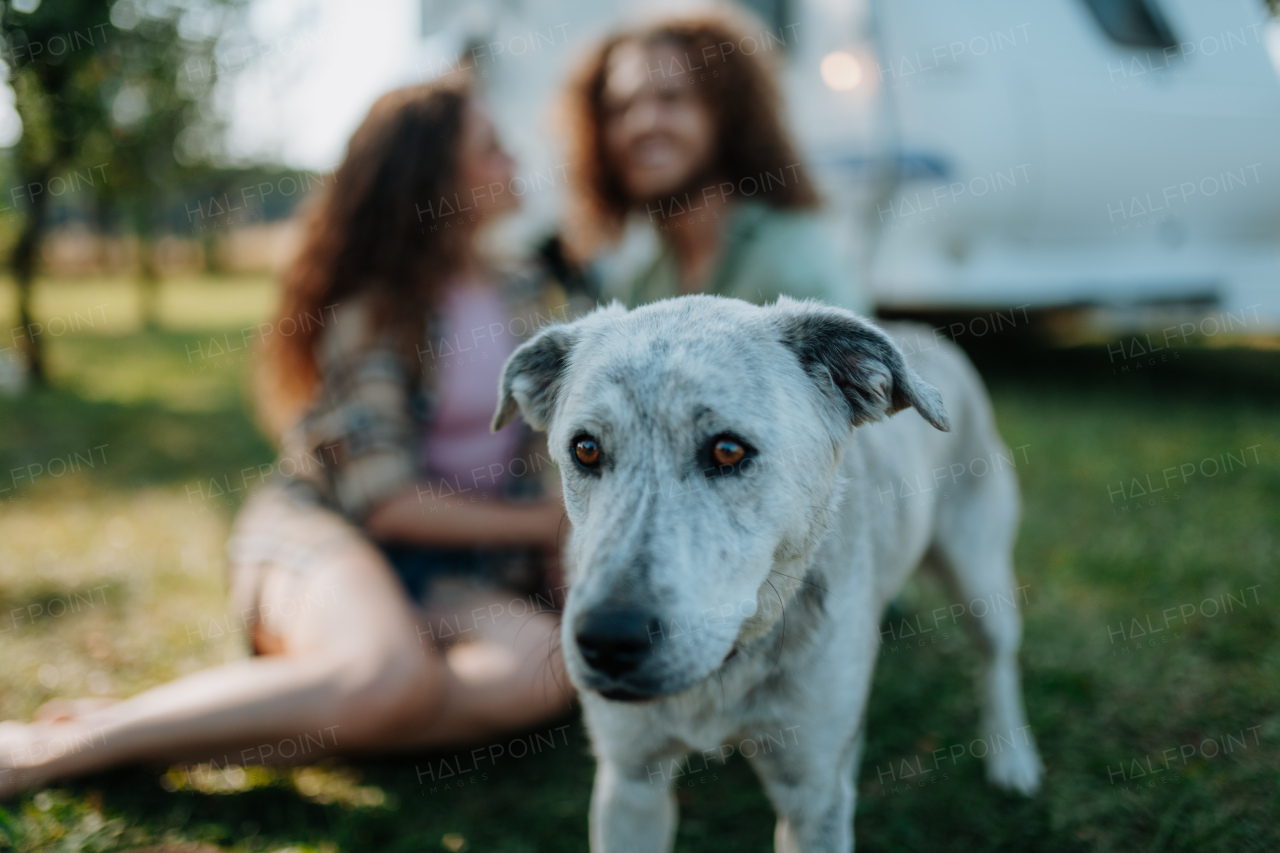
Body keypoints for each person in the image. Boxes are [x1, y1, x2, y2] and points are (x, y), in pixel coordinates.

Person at [0, 78, 574, 798]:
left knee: (538, 673)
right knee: (389, 678)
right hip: (327, 536)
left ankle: (270, 713)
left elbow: (542, 445)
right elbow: (386, 501)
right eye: (491, 148)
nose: (513, 160)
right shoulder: (373, 311)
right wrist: (548, 522)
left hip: (456, 573)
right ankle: (61, 749)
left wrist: (556, 531)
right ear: (436, 178)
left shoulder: (524, 291)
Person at [563, 9, 871, 314]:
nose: (641, 123)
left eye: (671, 98)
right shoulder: (642, 281)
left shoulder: (793, 261)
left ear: (727, 116)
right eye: (620, 107)